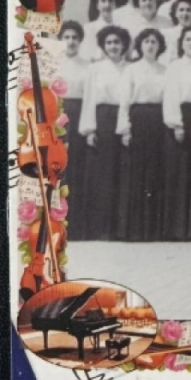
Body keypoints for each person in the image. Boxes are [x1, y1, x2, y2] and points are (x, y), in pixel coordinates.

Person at [114, 26, 168, 241]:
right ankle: (135, 230)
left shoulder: (165, 70)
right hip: (138, 119)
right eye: (146, 41)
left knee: (155, 171)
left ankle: (153, 230)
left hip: (158, 121)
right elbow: (124, 102)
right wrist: (125, 129)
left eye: (154, 42)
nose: (150, 45)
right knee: (136, 173)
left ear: (160, 46)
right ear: (140, 45)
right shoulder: (132, 70)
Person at [77, 26, 130, 240]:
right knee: (103, 174)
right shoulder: (96, 69)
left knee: (122, 172)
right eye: (109, 43)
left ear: (124, 45)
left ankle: (119, 229)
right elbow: (89, 99)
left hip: (125, 118)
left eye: (117, 42)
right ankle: (100, 229)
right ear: (103, 46)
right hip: (103, 119)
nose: (113, 46)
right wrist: (90, 129)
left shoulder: (130, 68)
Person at [162, 25, 191, 240]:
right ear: (181, 44)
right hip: (182, 118)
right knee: (180, 174)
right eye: (188, 39)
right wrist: (177, 124)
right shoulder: (175, 67)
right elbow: (171, 95)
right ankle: (177, 229)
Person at [56, 22, 91, 240]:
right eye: (67, 37)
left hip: (78, 117)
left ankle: (76, 227)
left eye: (75, 37)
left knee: (76, 168)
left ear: (80, 41)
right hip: (57, 116)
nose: (70, 41)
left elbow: (89, 97)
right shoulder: (53, 65)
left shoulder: (87, 66)